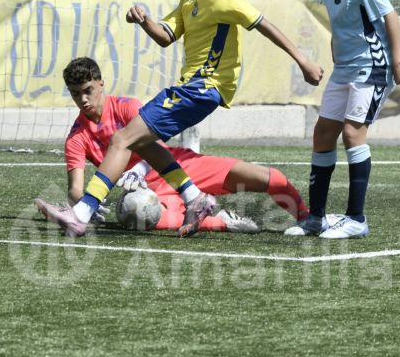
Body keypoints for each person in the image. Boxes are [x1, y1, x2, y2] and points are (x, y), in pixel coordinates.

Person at [35, 0, 323, 238]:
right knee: (142, 143)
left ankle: (81, 214)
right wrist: (145, 20)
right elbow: (165, 36)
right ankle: (194, 198)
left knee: (122, 140)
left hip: (205, 87)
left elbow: (264, 25)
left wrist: (303, 60)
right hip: (191, 87)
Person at [37, 57, 313, 234]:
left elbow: (154, 143)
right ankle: (222, 221)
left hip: (182, 166)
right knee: (136, 213)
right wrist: (82, 205)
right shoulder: (76, 137)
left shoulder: (125, 108)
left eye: (88, 91)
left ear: (100, 84)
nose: (83, 100)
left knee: (269, 178)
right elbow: (75, 187)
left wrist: (141, 170)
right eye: (75, 94)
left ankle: (307, 218)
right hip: (152, 192)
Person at [283, 0, 400, 239]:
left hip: (372, 65)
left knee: (353, 133)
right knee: (323, 134)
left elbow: (389, 15)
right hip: (345, 68)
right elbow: (342, 23)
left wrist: (396, 61)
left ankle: (356, 219)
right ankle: (316, 219)